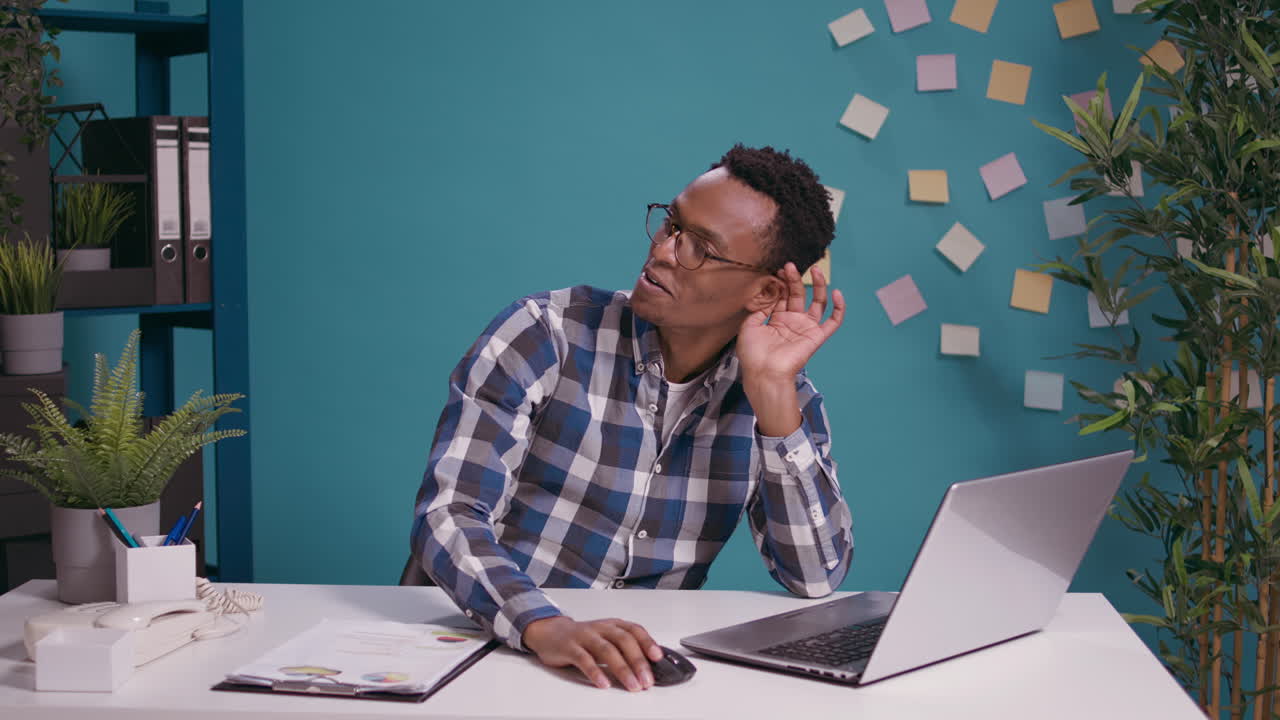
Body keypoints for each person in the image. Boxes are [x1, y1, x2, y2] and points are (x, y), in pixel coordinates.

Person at [410, 144, 852, 692]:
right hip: (499, 646)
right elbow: (448, 513)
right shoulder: (544, 333)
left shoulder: (780, 393)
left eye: (701, 248)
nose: (664, 252)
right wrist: (544, 625)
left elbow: (815, 577)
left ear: (763, 291)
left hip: (637, 678)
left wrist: (771, 395)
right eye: (670, 225)